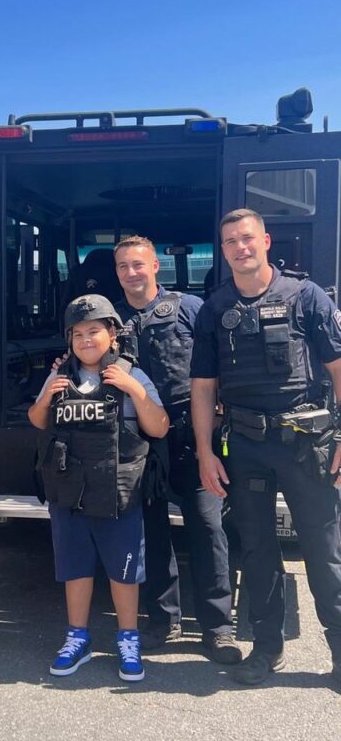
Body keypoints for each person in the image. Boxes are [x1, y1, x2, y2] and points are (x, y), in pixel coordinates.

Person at [191, 208, 341, 686]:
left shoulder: (306, 296)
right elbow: (202, 388)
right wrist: (205, 452)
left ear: (266, 241)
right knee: (256, 550)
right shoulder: (214, 308)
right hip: (247, 445)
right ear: (224, 249)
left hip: (305, 443)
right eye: (231, 240)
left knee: (324, 549)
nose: (240, 247)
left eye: (248, 238)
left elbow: (339, 369)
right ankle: (266, 648)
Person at [113, 236, 241, 664]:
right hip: (138, 438)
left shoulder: (187, 308)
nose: (132, 273)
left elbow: (219, 359)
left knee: (207, 527)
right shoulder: (110, 320)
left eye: (138, 265)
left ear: (155, 267)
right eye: (123, 267)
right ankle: (161, 620)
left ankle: (218, 627)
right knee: (150, 532)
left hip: (191, 434)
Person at [29, 295, 169, 681]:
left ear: (112, 334)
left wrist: (135, 390)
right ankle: (78, 638)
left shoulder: (132, 374)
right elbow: (38, 421)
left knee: (124, 573)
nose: (86, 340)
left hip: (117, 491)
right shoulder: (60, 375)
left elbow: (158, 427)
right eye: (78, 334)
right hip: (69, 489)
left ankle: (128, 638)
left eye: (94, 331)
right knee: (75, 568)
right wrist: (47, 396)